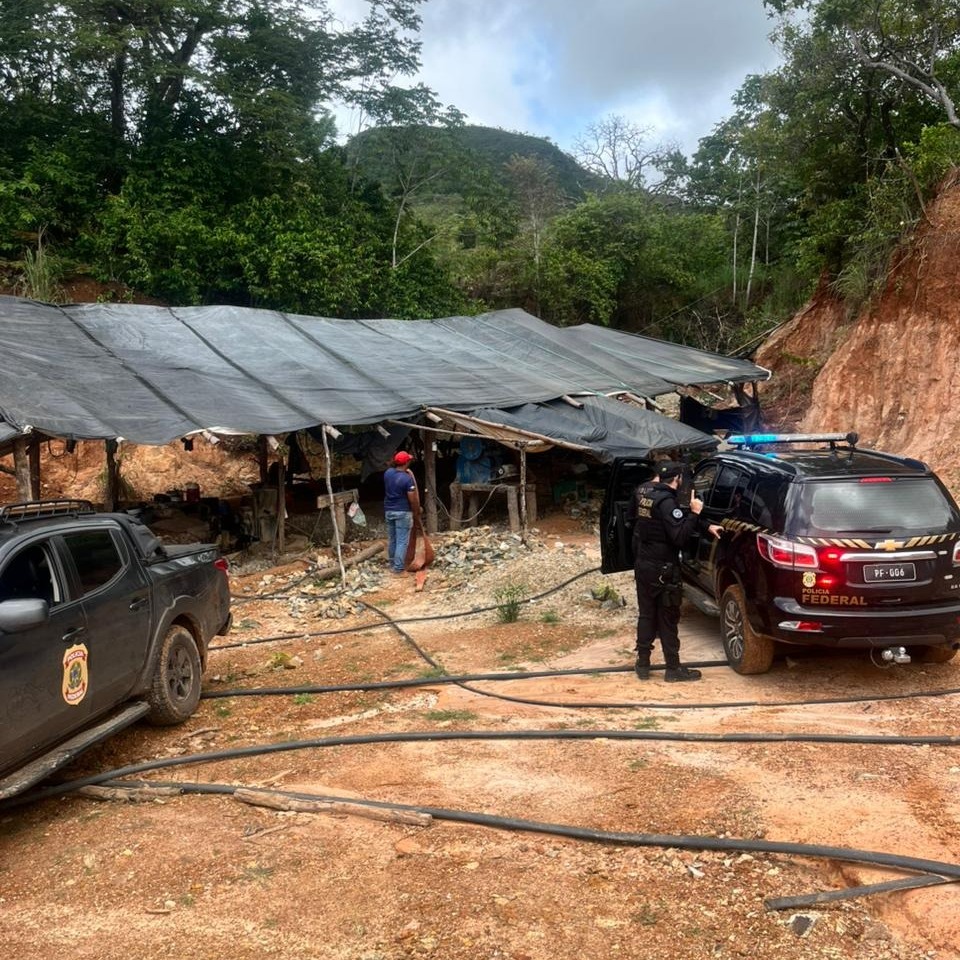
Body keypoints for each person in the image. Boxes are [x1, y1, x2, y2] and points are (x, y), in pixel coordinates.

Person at [629, 461, 722, 682]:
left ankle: (643, 664)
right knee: (667, 618)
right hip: (663, 569)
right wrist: (696, 514)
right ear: (677, 479)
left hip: (644, 565)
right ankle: (673, 669)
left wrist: (705, 525)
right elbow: (679, 536)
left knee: (646, 614)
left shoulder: (648, 495)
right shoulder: (667, 502)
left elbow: (671, 516)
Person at [384, 451, 422, 575]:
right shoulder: (407, 480)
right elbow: (413, 499)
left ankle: (392, 563)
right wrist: (416, 511)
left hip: (389, 510)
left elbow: (394, 473)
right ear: (406, 463)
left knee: (393, 539)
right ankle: (398, 568)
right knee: (401, 541)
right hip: (402, 512)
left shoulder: (388, 473)